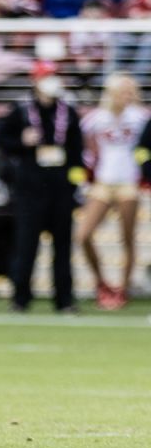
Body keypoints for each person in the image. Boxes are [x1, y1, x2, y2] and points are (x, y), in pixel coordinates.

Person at [0, 62, 84, 313]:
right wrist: (21, 141)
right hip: (30, 188)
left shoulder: (68, 112)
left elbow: (77, 151)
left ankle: (64, 299)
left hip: (60, 188)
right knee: (26, 244)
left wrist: (76, 184)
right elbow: (0, 139)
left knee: (63, 246)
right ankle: (20, 298)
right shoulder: (21, 111)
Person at [77, 73, 148, 310]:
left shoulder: (141, 118)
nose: (127, 96)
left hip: (129, 182)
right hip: (103, 182)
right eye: (123, 91)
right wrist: (84, 175)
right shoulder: (96, 119)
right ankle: (102, 284)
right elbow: (84, 149)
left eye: (130, 91)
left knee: (126, 238)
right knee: (83, 235)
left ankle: (122, 289)